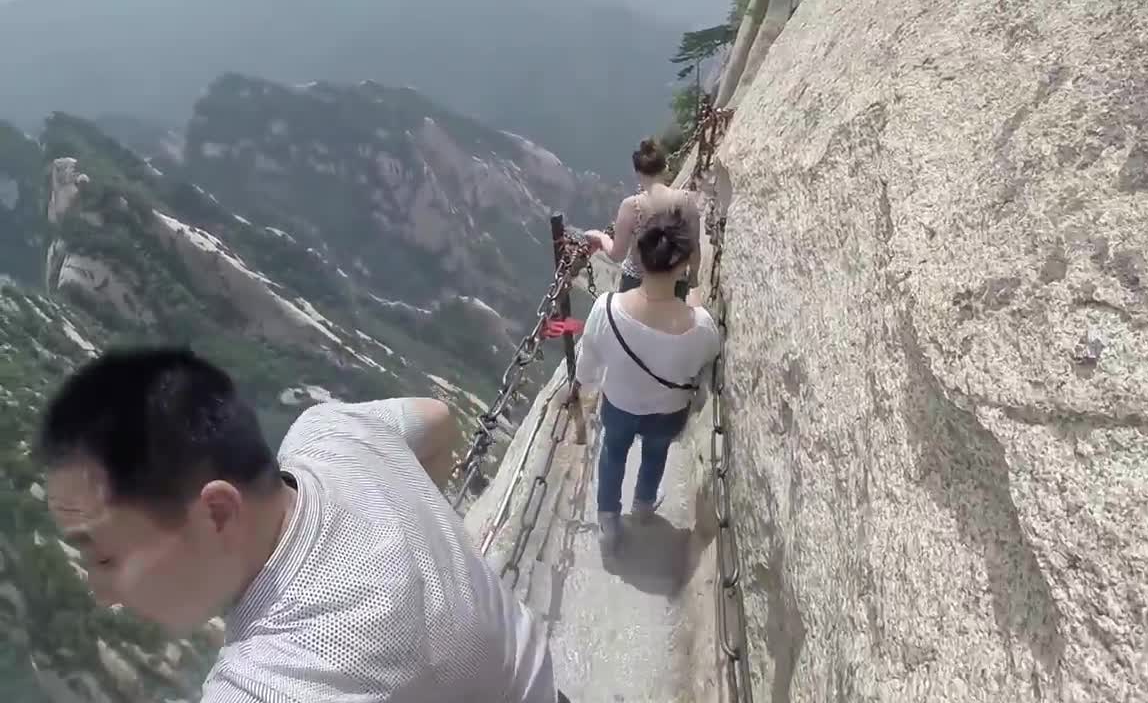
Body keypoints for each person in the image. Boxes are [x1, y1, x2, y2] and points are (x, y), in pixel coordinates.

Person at [37, 347, 563, 703]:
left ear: (217, 512)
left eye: (106, 558)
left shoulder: (271, 681)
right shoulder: (329, 429)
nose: (102, 593)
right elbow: (438, 419)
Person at [576, 214, 721, 554]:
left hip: (620, 404)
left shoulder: (606, 309)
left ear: (638, 255)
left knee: (613, 454)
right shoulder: (701, 327)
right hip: (668, 410)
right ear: (684, 263)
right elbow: (704, 361)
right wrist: (696, 302)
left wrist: (585, 387)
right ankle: (642, 506)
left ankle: (608, 521)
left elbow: (588, 364)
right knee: (655, 454)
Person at [583, 138, 702, 300]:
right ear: (665, 167)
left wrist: (601, 237)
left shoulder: (631, 206)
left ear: (637, 172)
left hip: (635, 285)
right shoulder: (687, 201)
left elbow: (617, 254)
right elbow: (694, 248)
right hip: (674, 284)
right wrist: (693, 277)